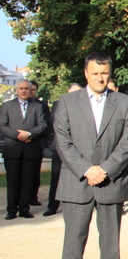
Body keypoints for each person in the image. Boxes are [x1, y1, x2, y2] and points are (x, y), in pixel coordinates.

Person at [47, 52, 128, 259]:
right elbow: (62, 141)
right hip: (77, 181)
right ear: (86, 74)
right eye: (95, 73)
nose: (100, 77)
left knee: (110, 242)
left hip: (111, 181)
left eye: (104, 73)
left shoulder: (125, 103)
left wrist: (105, 169)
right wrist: (87, 169)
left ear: (110, 74)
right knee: (73, 243)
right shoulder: (66, 102)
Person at [1, 79, 47, 219]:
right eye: (21, 88)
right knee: (13, 181)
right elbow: (2, 126)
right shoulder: (7, 106)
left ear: (30, 90)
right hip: (12, 149)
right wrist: (18, 135)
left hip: (30, 148)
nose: (24, 91)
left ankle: (24, 209)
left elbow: (42, 125)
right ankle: (11, 209)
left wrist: (29, 134)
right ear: (17, 90)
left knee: (27, 180)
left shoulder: (37, 106)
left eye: (26, 88)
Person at [43, 83, 83, 216]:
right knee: (56, 177)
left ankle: (78, 204)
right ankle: (52, 206)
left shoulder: (85, 105)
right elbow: (54, 120)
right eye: (73, 92)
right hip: (60, 147)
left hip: (79, 146)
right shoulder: (59, 103)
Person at [28, 80, 50, 206]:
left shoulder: (42, 105)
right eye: (29, 89)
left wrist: (31, 135)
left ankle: (33, 197)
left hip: (37, 142)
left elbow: (45, 123)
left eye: (33, 90)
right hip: (21, 143)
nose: (31, 92)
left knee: (35, 172)